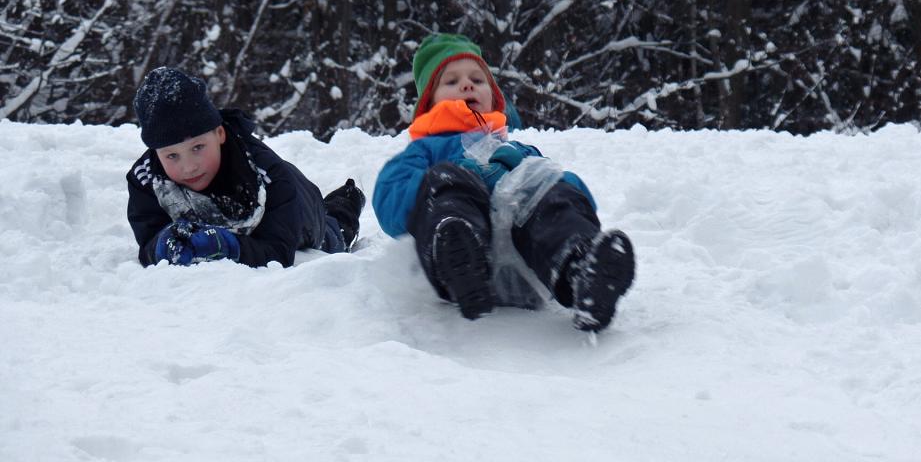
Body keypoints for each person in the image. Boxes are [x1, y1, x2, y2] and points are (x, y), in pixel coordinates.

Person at [373, 33, 635, 332]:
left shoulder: (517, 151)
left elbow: (563, 190)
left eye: (477, 79)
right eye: (451, 81)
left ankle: (581, 270)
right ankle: (456, 247)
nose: (467, 84)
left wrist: (556, 188)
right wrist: (451, 180)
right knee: (445, 180)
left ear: (494, 96)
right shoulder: (427, 150)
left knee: (539, 184)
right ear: (429, 103)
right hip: (461, 268)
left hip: (527, 258)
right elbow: (391, 195)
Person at [126, 67, 365, 268]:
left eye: (198, 147)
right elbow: (148, 243)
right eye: (172, 156)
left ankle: (347, 202)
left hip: (300, 206)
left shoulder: (267, 173)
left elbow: (280, 252)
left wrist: (230, 245)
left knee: (331, 235)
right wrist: (161, 244)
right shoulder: (146, 180)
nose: (188, 167)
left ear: (219, 133)